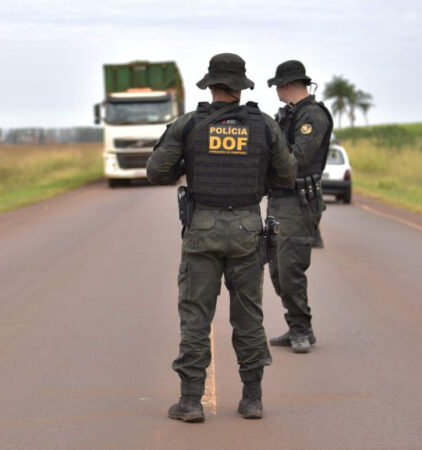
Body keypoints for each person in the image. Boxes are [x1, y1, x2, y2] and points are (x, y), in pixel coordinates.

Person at [147, 53, 296, 422]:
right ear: (241, 87)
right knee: (249, 317)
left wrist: (187, 163)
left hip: (202, 229)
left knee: (196, 315)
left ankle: (191, 401)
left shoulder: (188, 124)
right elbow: (288, 174)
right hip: (247, 227)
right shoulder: (263, 125)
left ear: (211, 85)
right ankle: (252, 399)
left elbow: (156, 171)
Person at [266, 60, 334, 353]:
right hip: (280, 199)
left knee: (290, 266)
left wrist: (265, 154)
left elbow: (298, 157)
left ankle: (301, 330)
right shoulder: (289, 115)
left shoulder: (312, 116)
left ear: (287, 85)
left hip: (298, 201)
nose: (277, 92)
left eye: (278, 86)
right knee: (278, 270)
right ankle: (297, 323)